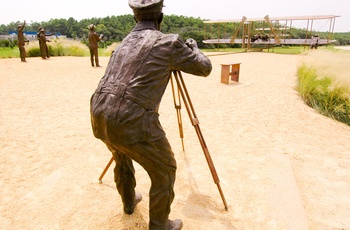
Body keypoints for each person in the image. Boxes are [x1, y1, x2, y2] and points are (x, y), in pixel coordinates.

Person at [90, 0, 212, 229]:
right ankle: (159, 225)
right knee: (165, 170)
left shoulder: (124, 43)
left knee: (121, 156)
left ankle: (128, 202)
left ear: (136, 18)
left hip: (99, 111)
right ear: (160, 18)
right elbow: (204, 67)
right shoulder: (170, 42)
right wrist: (194, 49)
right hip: (131, 118)